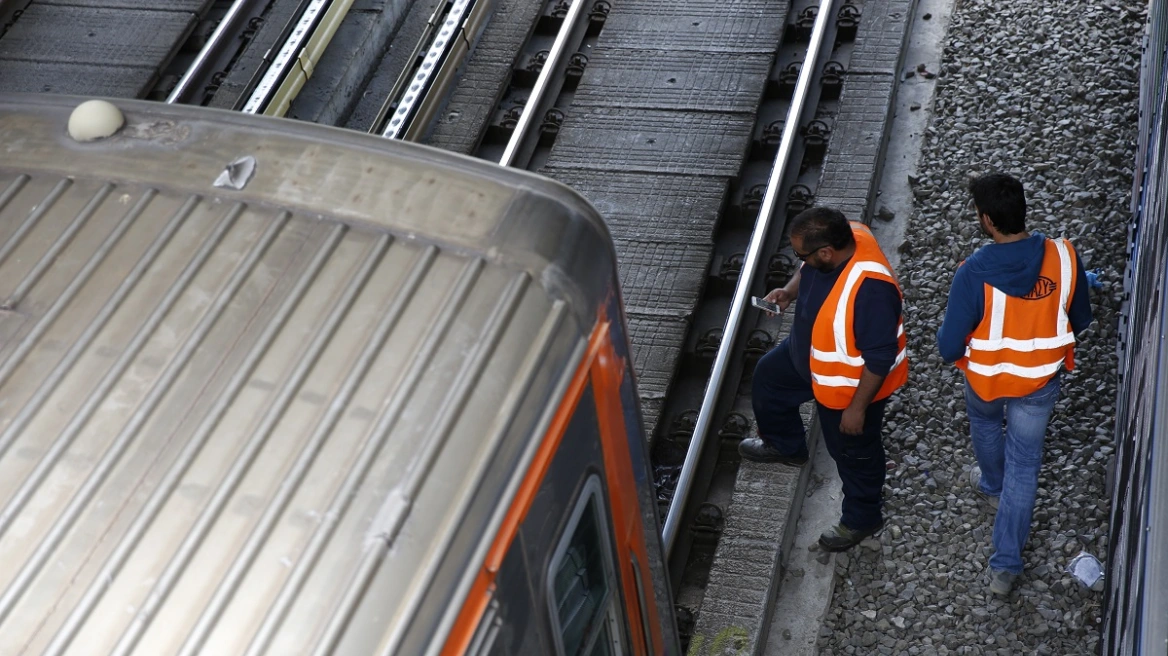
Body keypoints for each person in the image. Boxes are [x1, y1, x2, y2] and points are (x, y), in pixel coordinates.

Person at [936, 173, 1092, 596]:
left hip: (986, 380)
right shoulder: (1064, 256)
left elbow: (949, 347)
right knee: (1025, 464)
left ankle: (990, 485)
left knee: (986, 426)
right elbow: (1081, 319)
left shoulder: (972, 273)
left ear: (987, 220)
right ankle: (1005, 567)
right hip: (1039, 382)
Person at [739, 207, 908, 552]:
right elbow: (807, 271)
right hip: (805, 357)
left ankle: (862, 518)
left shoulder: (872, 291)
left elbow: (880, 357)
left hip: (846, 389)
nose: (800, 261)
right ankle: (786, 446)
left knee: (854, 454)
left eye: (803, 255)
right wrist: (788, 291)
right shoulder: (849, 233)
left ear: (826, 252)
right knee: (767, 381)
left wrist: (857, 409)